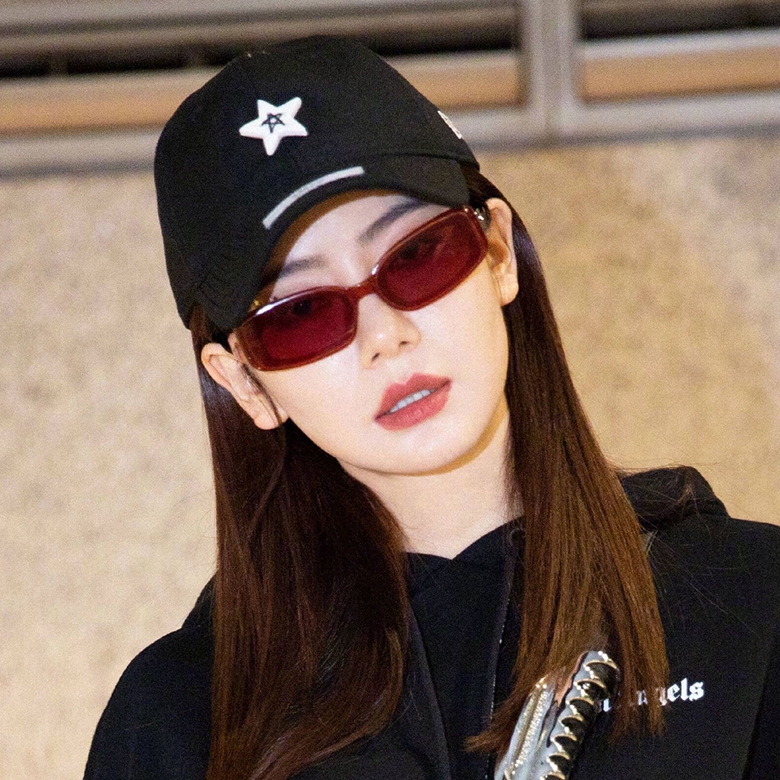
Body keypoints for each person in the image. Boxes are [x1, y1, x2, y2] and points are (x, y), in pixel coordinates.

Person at [84, 36, 780, 780]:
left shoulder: (750, 607)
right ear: (243, 382)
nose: (386, 336)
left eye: (417, 256)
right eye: (302, 313)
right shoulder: (178, 718)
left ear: (498, 253)